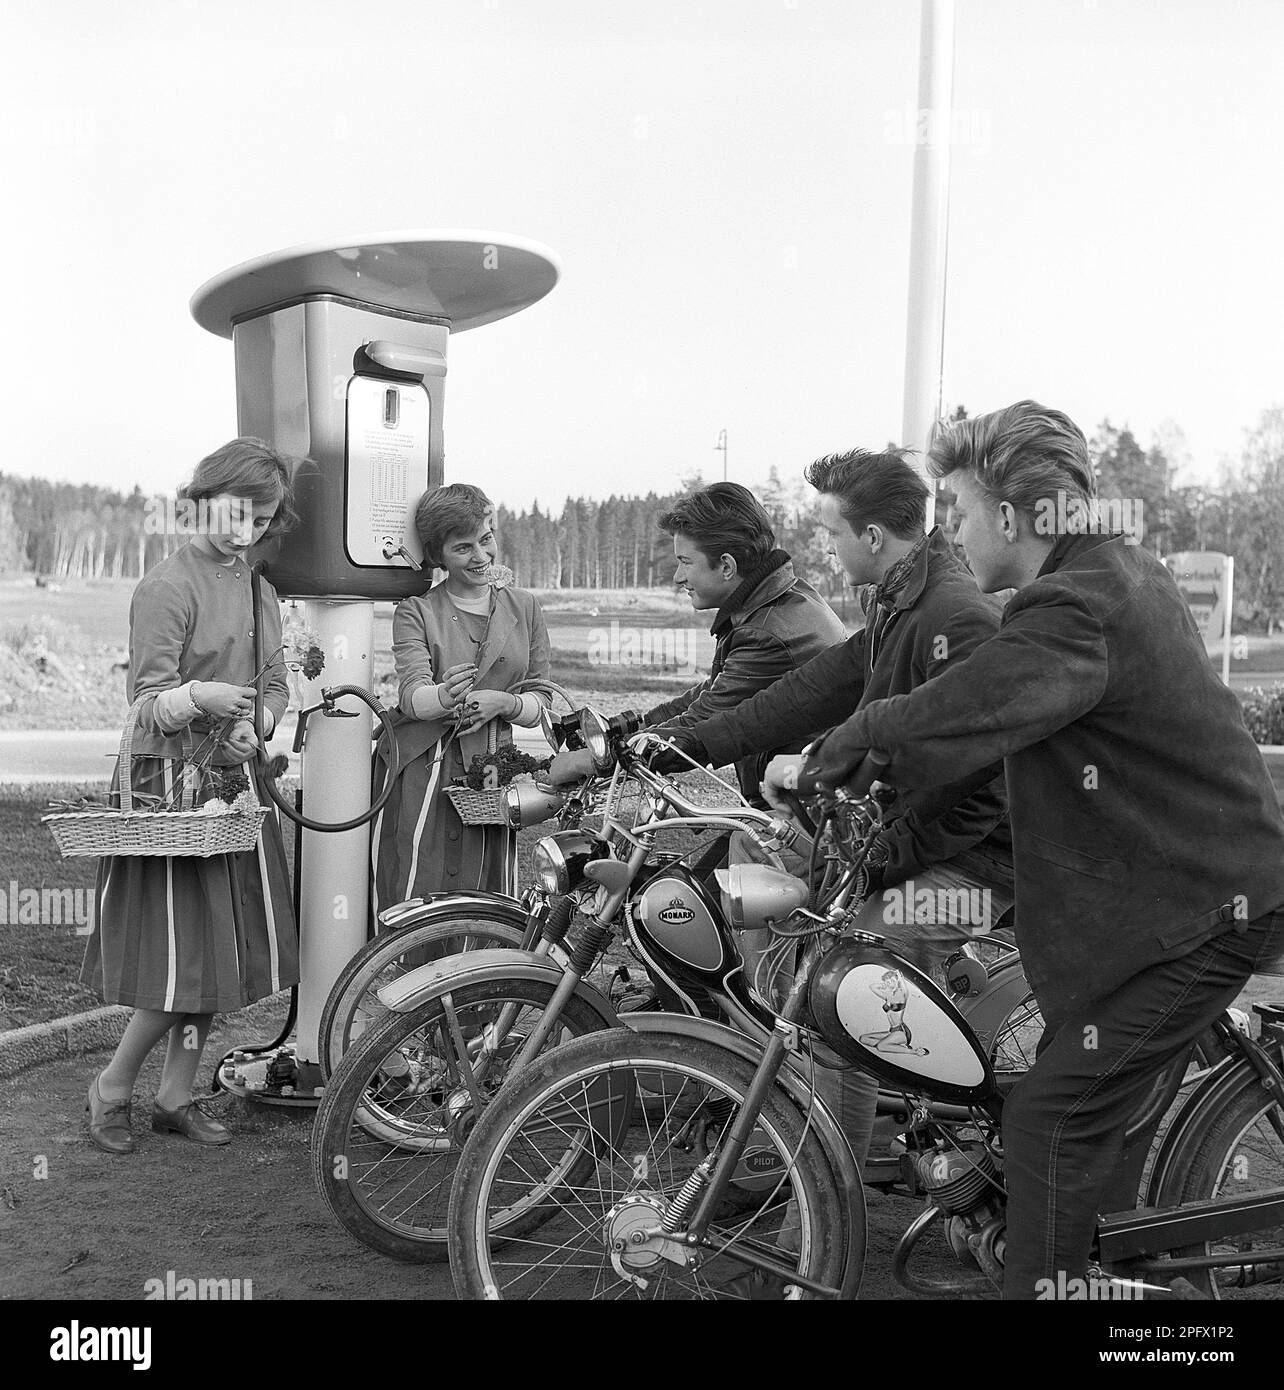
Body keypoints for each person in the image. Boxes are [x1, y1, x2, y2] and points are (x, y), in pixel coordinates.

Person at [805, 401, 1284, 1298]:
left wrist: (856, 739)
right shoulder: (1106, 579)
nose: (946, 527)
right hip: (1167, 906)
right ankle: (1102, 1273)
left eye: (958, 505)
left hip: (1201, 915)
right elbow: (990, 723)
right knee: (1065, 1119)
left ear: (1015, 516)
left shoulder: (1083, 602)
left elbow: (979, 697)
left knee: (1050, 1125)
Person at [634, 448, 1013, 1174]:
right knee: (764, 896)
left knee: (851, 991)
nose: (825, 549)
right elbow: (809, 691)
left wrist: (878, 862)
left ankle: (815, 1221)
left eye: (834, 533)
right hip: (909, 846)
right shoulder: (900, 600)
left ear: (873, 537)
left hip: (976, 865)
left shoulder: (954, 616)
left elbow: (979, 788)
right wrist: (694, 742)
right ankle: (849, 1145)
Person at [82, 438, 300, 1153]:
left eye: (262, 518)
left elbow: (274, 688)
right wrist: (204, 699)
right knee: (183, 957)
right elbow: (146, 704)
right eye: (236, 510)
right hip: (167, 793)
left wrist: (255, 726)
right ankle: (114, 1085)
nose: (246, 529)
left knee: (221, 954)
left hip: (230, 789)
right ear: (203, 495)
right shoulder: (166, 586)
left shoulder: (261, 593)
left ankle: (176, 1094)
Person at [549, 481, 846, 805]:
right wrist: (629, 729)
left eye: (686, 562)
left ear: (727, 567)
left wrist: (592, 761)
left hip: (801, 819)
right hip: (793, 801)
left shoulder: (768, 634)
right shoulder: (785, 599)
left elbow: (705, 721)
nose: (677, 576)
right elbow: (712, 693)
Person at [371, 484, 551, 919]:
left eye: (486, 539)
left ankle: (478, 977)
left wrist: (504, 704)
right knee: (421, 874)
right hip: (425, 763)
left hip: (491, 767)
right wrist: (444, 696)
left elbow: (544, 699)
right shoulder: (416, 611)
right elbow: (413, 697)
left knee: (486, 883)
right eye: (463, 548)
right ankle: (409, 975)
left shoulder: (524, 607)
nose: (481, 556)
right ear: (438, 555)